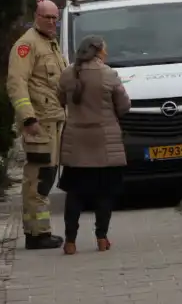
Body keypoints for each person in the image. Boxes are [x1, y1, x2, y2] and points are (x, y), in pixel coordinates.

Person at [56, 35, 131, 255]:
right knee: (104, 194)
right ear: (98, 51)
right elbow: (124, 105)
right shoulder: (109, 74)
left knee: (75, 194)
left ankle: (70, 242)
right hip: (105, 143)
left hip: (76, 142)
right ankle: (101, 238)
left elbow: (61, 99)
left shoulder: (68, 74)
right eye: (104, 49)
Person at [7, 0, 68, 250]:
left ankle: (40, 231)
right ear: (36, 16)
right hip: (39, 124)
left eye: (55, 17)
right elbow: (16, 83)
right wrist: (28, 117)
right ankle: (36, 233)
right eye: (47, 17)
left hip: (54, 121)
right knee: (37, 178)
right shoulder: (27, 44)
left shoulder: (49, 44)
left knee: (47, 176)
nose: (52, 21)